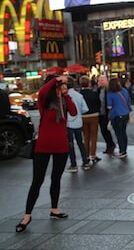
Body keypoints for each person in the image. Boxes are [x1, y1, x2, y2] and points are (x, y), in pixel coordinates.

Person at [15, 75, 77, 233]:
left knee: (56, 178)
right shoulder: (44, 102)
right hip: (43, 146)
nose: (63, 87)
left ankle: (54, 209)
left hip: (61, 146)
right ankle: (27, 215)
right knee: (38, 180)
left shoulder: (64, 102)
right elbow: (43, 91)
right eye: (60, 85)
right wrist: (57, 80)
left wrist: (66, 94)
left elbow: (74, 112)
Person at [64, 78, 91, 172]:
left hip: (68, 123)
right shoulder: (79, 95)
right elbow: (85, 109)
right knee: (80, 142)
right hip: (79, 122)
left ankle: (73, 164)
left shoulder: (64, 96)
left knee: (70, 144)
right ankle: (85, 162)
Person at [106, 78, 131, 159]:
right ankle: (124, 150)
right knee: (123, 133)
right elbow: (128, 101)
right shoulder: (124, 91)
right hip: (125, 114)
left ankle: (122, 151)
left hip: (116, 115)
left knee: (119, 134)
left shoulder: (110, 93)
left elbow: (109, 107)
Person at [79, 75, 101, 163]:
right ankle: (93, 155)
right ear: (89, 83)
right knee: (94, 136)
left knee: (86, 136)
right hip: (94, 115)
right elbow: (98, 104)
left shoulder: (79, 95)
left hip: (83, 117)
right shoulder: (94, 94)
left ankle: (86, 155)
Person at [97, 75, 116, 155]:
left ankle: (110, 145)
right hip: (100, 113)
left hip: (107, 112)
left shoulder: (109, 90)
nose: (101, 82)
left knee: (105, 129)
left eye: (102, 80)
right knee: (103, 130)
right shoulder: (99, 90)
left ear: (106, 81)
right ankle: (110, 144)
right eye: (99, 80)